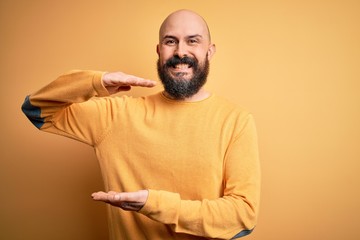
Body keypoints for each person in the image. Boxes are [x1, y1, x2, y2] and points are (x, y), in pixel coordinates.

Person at [22, 9, 260, 240]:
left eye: (192, 41)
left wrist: (154, 204)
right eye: (170, 41)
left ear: (209, 51)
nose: (180, 51)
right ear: (159, 51)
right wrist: (97, 81)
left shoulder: (236, 121)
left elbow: (242, 219)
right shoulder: (117, 116)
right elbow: (37, 109)